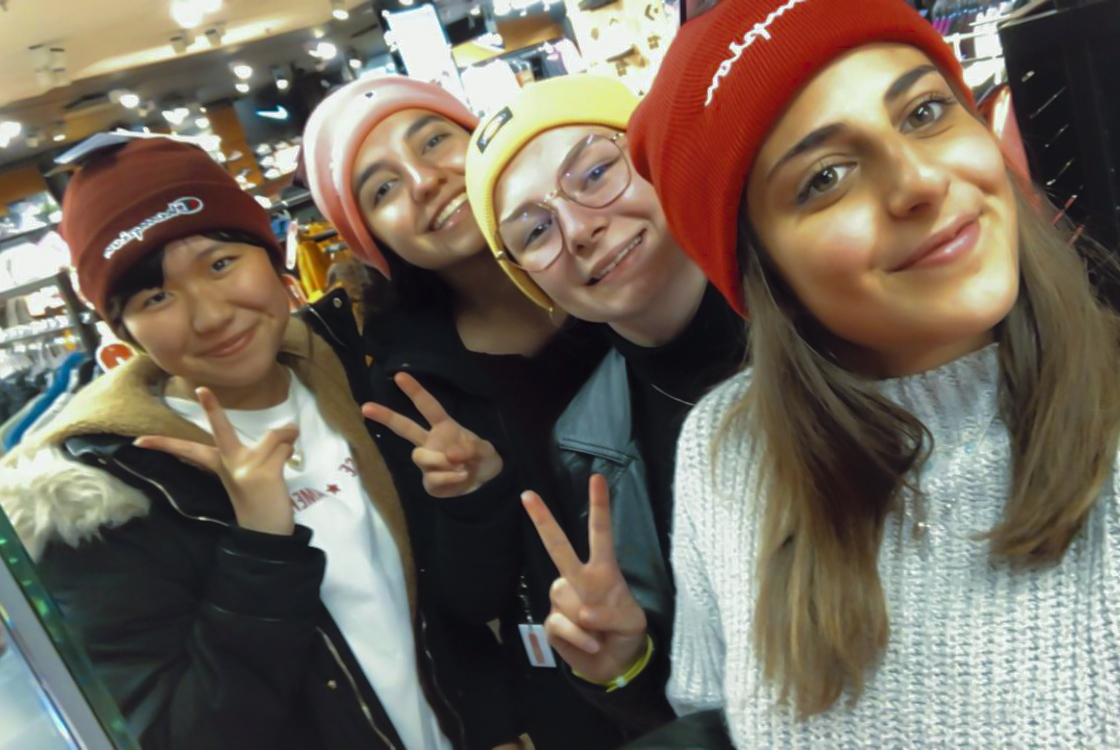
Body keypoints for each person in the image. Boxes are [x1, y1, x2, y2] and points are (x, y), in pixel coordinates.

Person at [623, 0, 1120, 746]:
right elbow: (709, 705)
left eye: (924, 112)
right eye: (826, 176)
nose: (918, 180)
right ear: (765, 274)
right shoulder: (725, 450)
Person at [0, 137, 460, 749]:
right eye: (156, 297)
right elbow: (172, 736)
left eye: (220, 264)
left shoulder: (363, 368)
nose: (210, 315)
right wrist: (260, 550)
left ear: (272, 258)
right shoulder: (103, 501)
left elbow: (460, 605)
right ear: (125, 332)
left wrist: (478, 490)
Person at [301, 76, 612, 749]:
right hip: (596, 692)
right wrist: (474, 496)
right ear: (371, 239)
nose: (423, 181)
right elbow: (471, 602)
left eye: (433, 140)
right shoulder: (408, 386)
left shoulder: (612, 252)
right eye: (382, 189)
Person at [463, 74, 746, 741]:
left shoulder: (827, 297)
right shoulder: (587, 445)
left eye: (594, 172)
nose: (580, 228)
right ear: (530, 281)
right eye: (536, 231)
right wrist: (625, 666)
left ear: (654, 156)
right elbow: (687, 705)